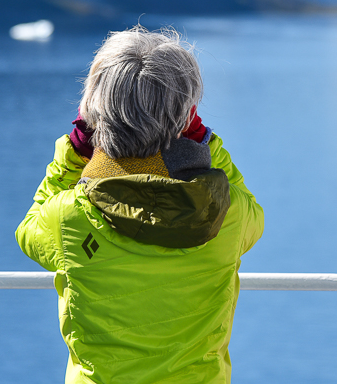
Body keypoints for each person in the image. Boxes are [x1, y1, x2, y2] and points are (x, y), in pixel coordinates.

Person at [16, 27, 264, 384]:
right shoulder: (228, 214)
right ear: (187, 114)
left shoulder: (68, 216)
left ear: (96, 112)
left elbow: (28, 231)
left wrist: (72, 153)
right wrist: (205, 143)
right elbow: (253, 211)